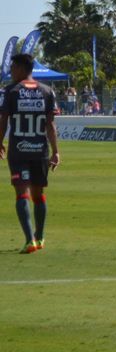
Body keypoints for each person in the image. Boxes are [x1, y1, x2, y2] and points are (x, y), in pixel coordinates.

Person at [0, 54, 60, 253]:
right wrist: (56, 152)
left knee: (21, 193)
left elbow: (3, 120)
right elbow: (50, 125)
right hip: (40, 151)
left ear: (21, 68)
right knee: (38, 194)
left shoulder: (11, 91)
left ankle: (30, 240)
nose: (11, 71)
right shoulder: (47, 91)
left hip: (18, 151)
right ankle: (40, 237)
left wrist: (0, 142)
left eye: (13, 67)